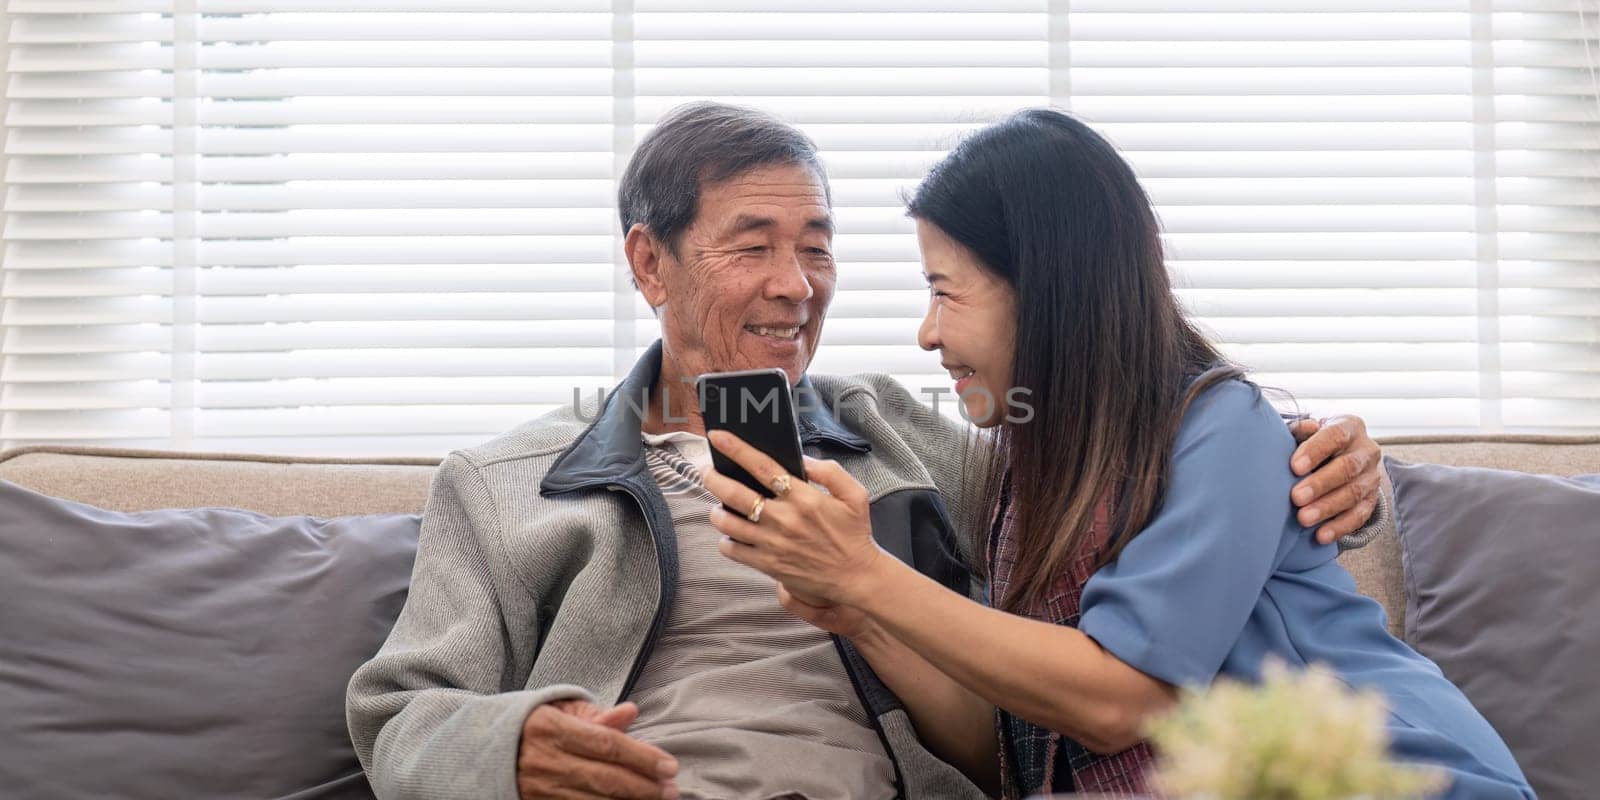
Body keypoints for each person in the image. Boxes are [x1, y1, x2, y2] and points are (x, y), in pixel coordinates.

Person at [346, 102, 1389, 800]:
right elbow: (397, 707)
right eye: (752, 246)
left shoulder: (906, 434)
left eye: (817, 246)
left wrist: (1321, 461)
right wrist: (503, 745)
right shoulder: (506, 483)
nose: (797, 284)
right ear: (647, 261)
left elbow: (1124, 484)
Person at [700, 109, 1533, 799]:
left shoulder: (1221, 425)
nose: (928, 334)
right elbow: (1012, 755)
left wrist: (865, 575)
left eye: (944, 291)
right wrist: (863, 618)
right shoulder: (1026, 478)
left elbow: (1122, 702)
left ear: (1048, 289)